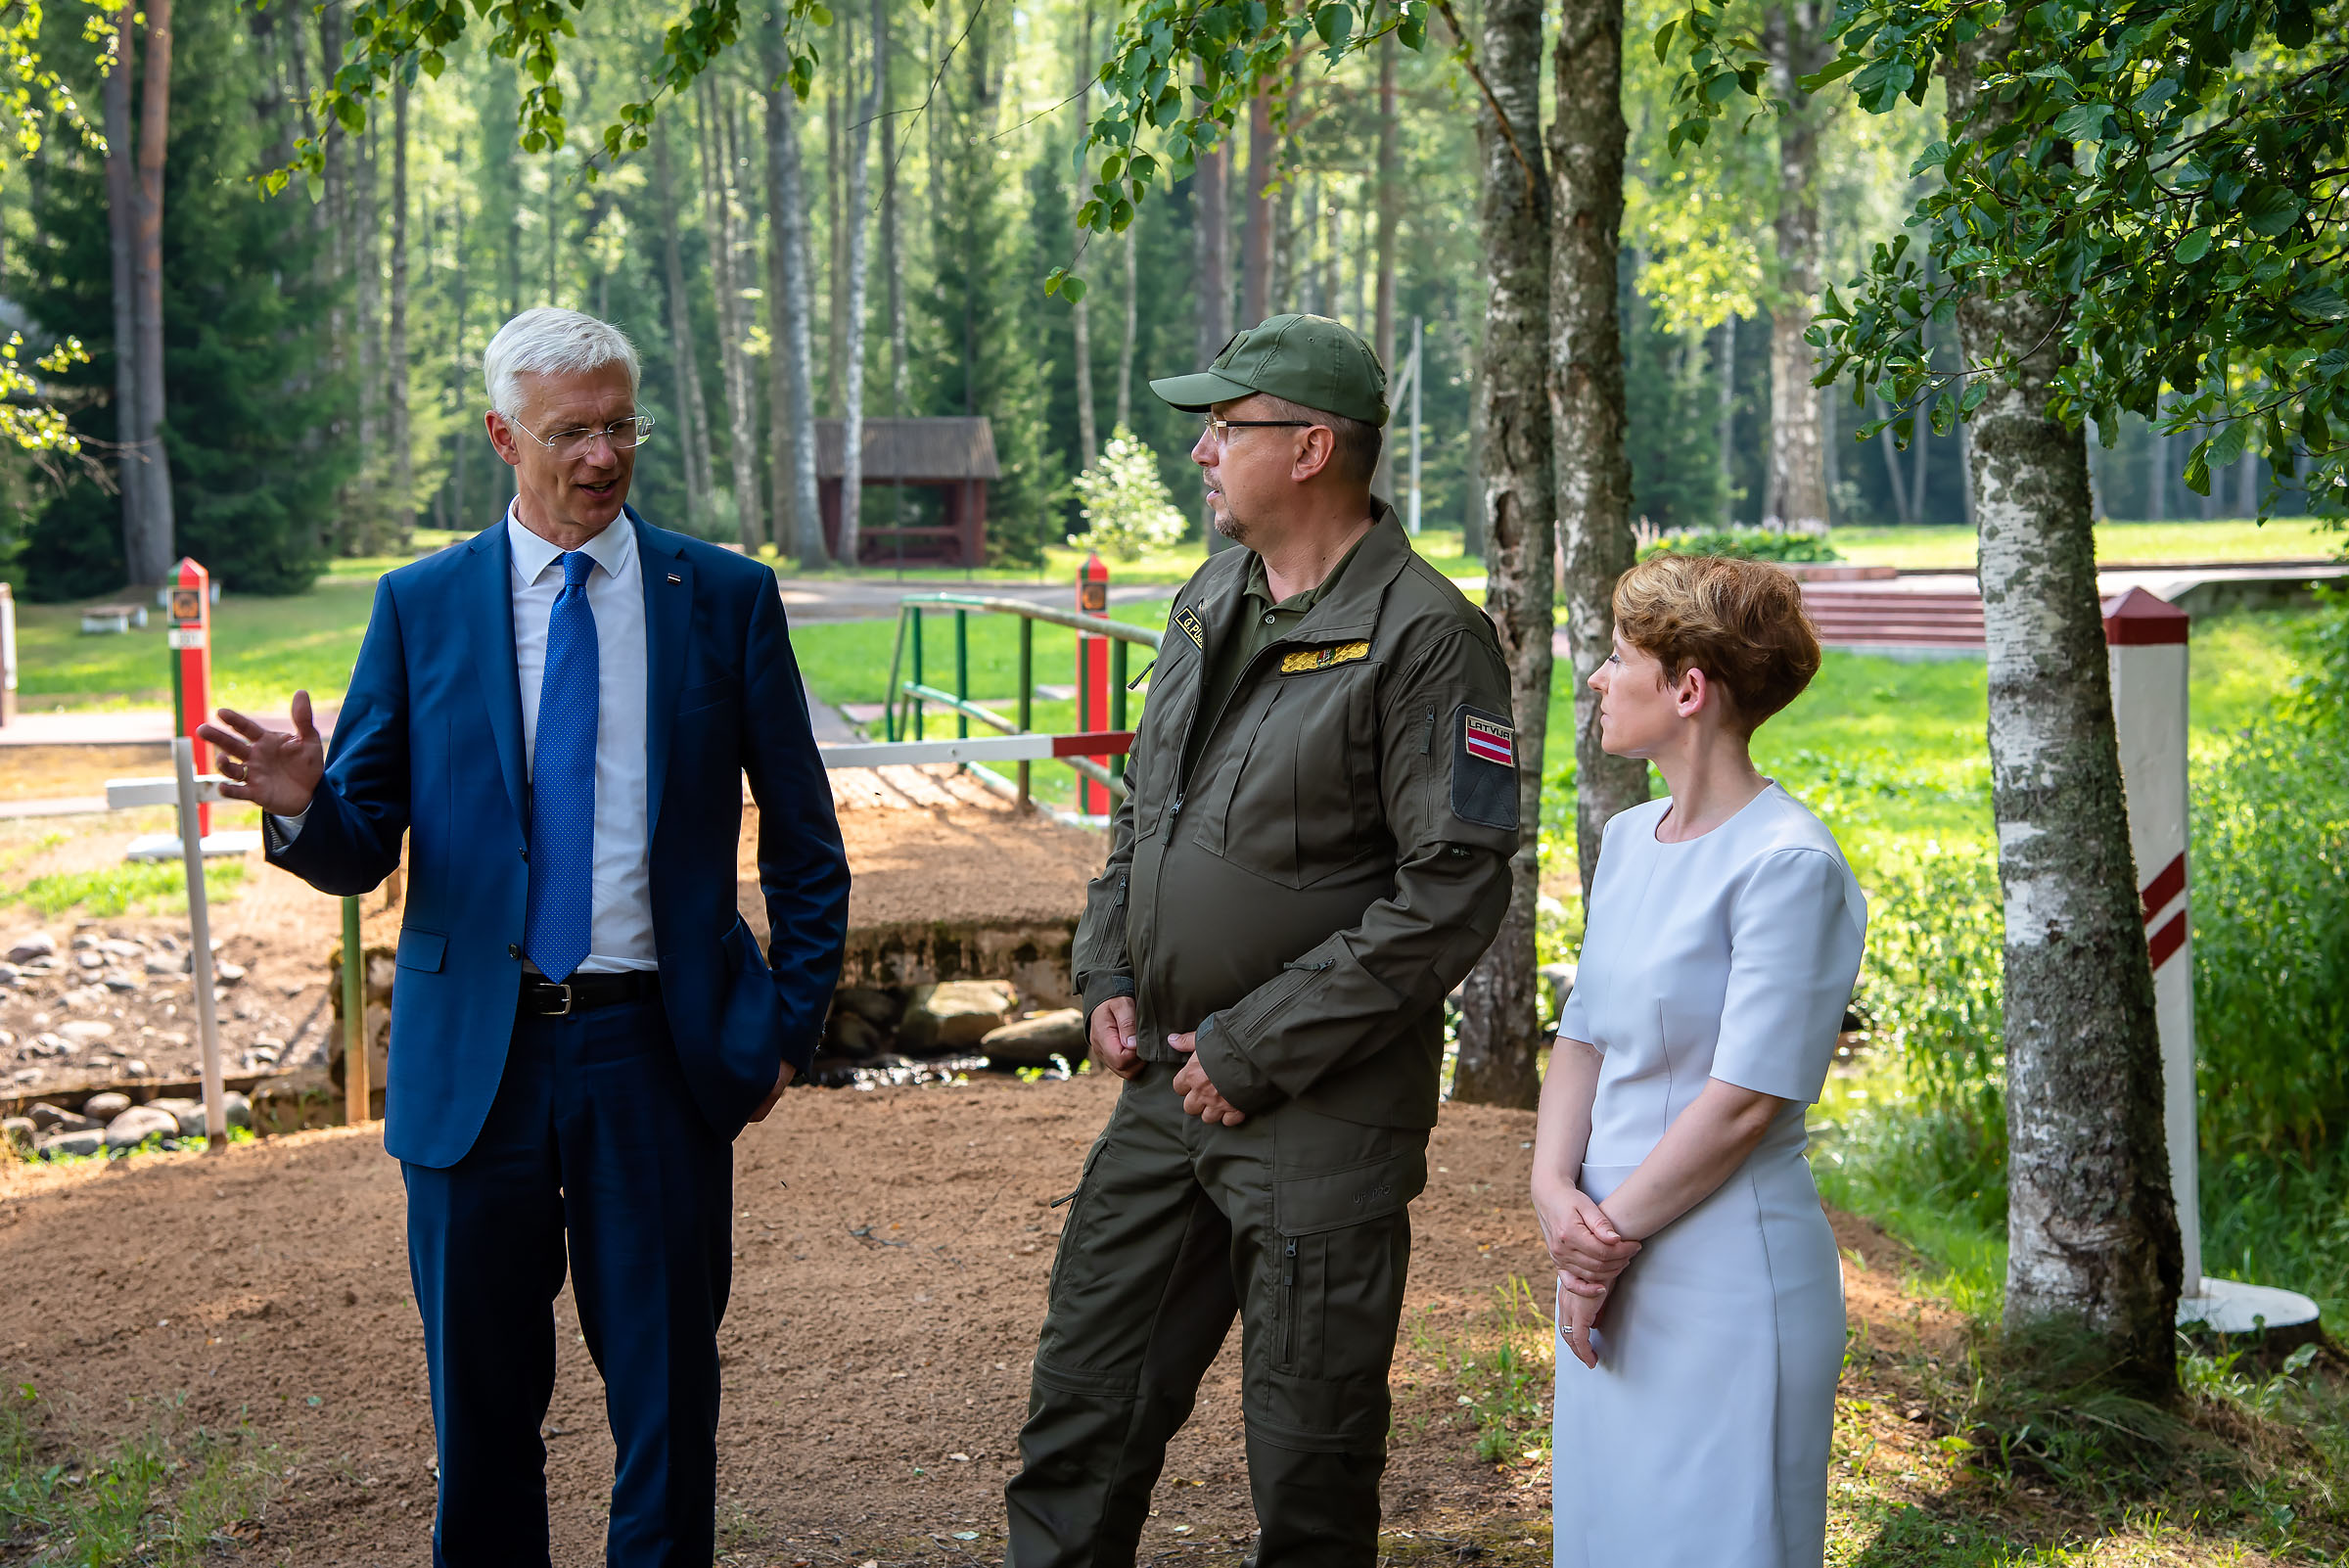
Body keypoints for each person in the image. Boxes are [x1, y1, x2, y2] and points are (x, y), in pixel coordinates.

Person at [199, 306, 851, 1568]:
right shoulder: (422, 605)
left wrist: (785, 1025)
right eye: (570, 433)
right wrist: (301, 807)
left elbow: (807, 842)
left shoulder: (723, 598)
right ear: (505, 437)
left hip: (657, 1057)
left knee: (668, 1405)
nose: (603, 456)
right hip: (472, 1069)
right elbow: (360, 846)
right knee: (483, 1413)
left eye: (621, 426)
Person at [1004, 314, 1521, 1568]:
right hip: (1163, 1087)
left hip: (1318, 1112)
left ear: (1310, 448)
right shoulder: (1210, 597)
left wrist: (1259, 1046)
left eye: (1226, 427)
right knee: (1082, 1414)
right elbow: (1145, 805)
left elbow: (1453, 889)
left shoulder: (1427, 637)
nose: (1201, 452)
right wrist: (1108, 964)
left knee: (1308, 1465)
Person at [1532, 554, 1866, 1567]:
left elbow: (1744, 1104)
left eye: (1617, 657)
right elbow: (1584, 1034)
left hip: (1723, 1278)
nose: (1597, 677)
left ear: (1687, 689)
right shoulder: (1631, 837)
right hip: (1607, 1261)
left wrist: (1599, 1244)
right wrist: (1553, 1193)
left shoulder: (1788, 862)